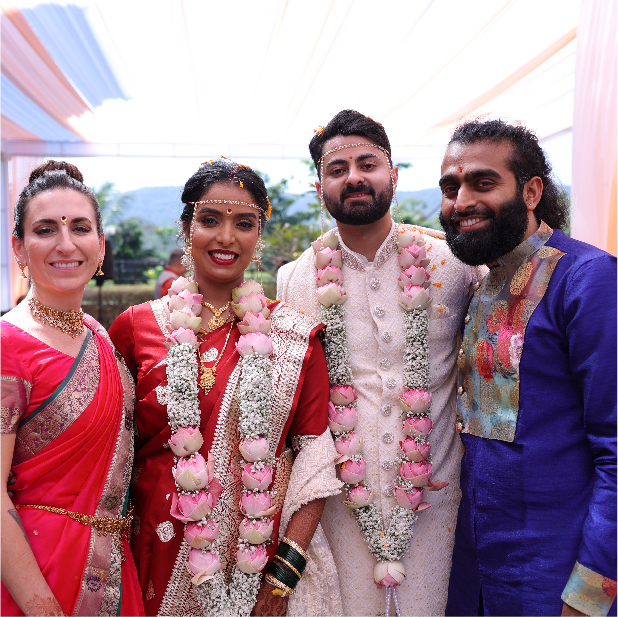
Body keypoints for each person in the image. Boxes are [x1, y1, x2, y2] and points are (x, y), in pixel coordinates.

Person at [109, 159, 343, 616]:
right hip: (154, 553)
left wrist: (282, 577)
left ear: (259, 235)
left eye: (244, 223)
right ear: (186, 228)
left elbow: (315, 465)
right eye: (210, 220)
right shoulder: (136, 328)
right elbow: (110, 454)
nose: (226, 237)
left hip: (256, 565)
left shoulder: (296, 336)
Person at [277, 110, 485, 616]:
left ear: (393, 175)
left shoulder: (455, 265)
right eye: (337, 169)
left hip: (438, 505)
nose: (353, 177)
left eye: (367, 164)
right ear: (320, 188)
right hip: (343, 512)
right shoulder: (293, 280)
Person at [438, 118, 617, 617]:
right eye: (450, 188)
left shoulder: (588, 280)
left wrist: (591, 592)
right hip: (476, 569)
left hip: (557, 575)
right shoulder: (481, 284)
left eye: (483, 183)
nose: (462, 201)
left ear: (532, 191)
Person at [1, 160, 144, 616]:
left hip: (114, 568)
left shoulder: (99, 336)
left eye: (80, 228)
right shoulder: (7, 345)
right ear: (19, 248)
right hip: (35, 575)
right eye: (45, 230)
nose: (66, 244)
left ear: (100, 246)